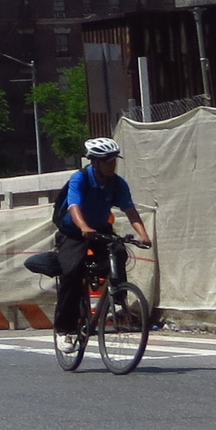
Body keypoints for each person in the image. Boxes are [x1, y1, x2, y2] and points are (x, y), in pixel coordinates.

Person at [54, 136, 151, 349]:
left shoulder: (117, 183)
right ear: (95, 162)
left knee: (119, 251)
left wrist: (143, 234)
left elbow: (130, 211)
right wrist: (84, 228)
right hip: (73, 232)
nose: (112, 165)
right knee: (71, 273)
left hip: (100, 230)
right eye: (108, 161)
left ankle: (117, 299)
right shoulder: (80, 179)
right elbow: (74, 207)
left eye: (114, 161)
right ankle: (65, 330)